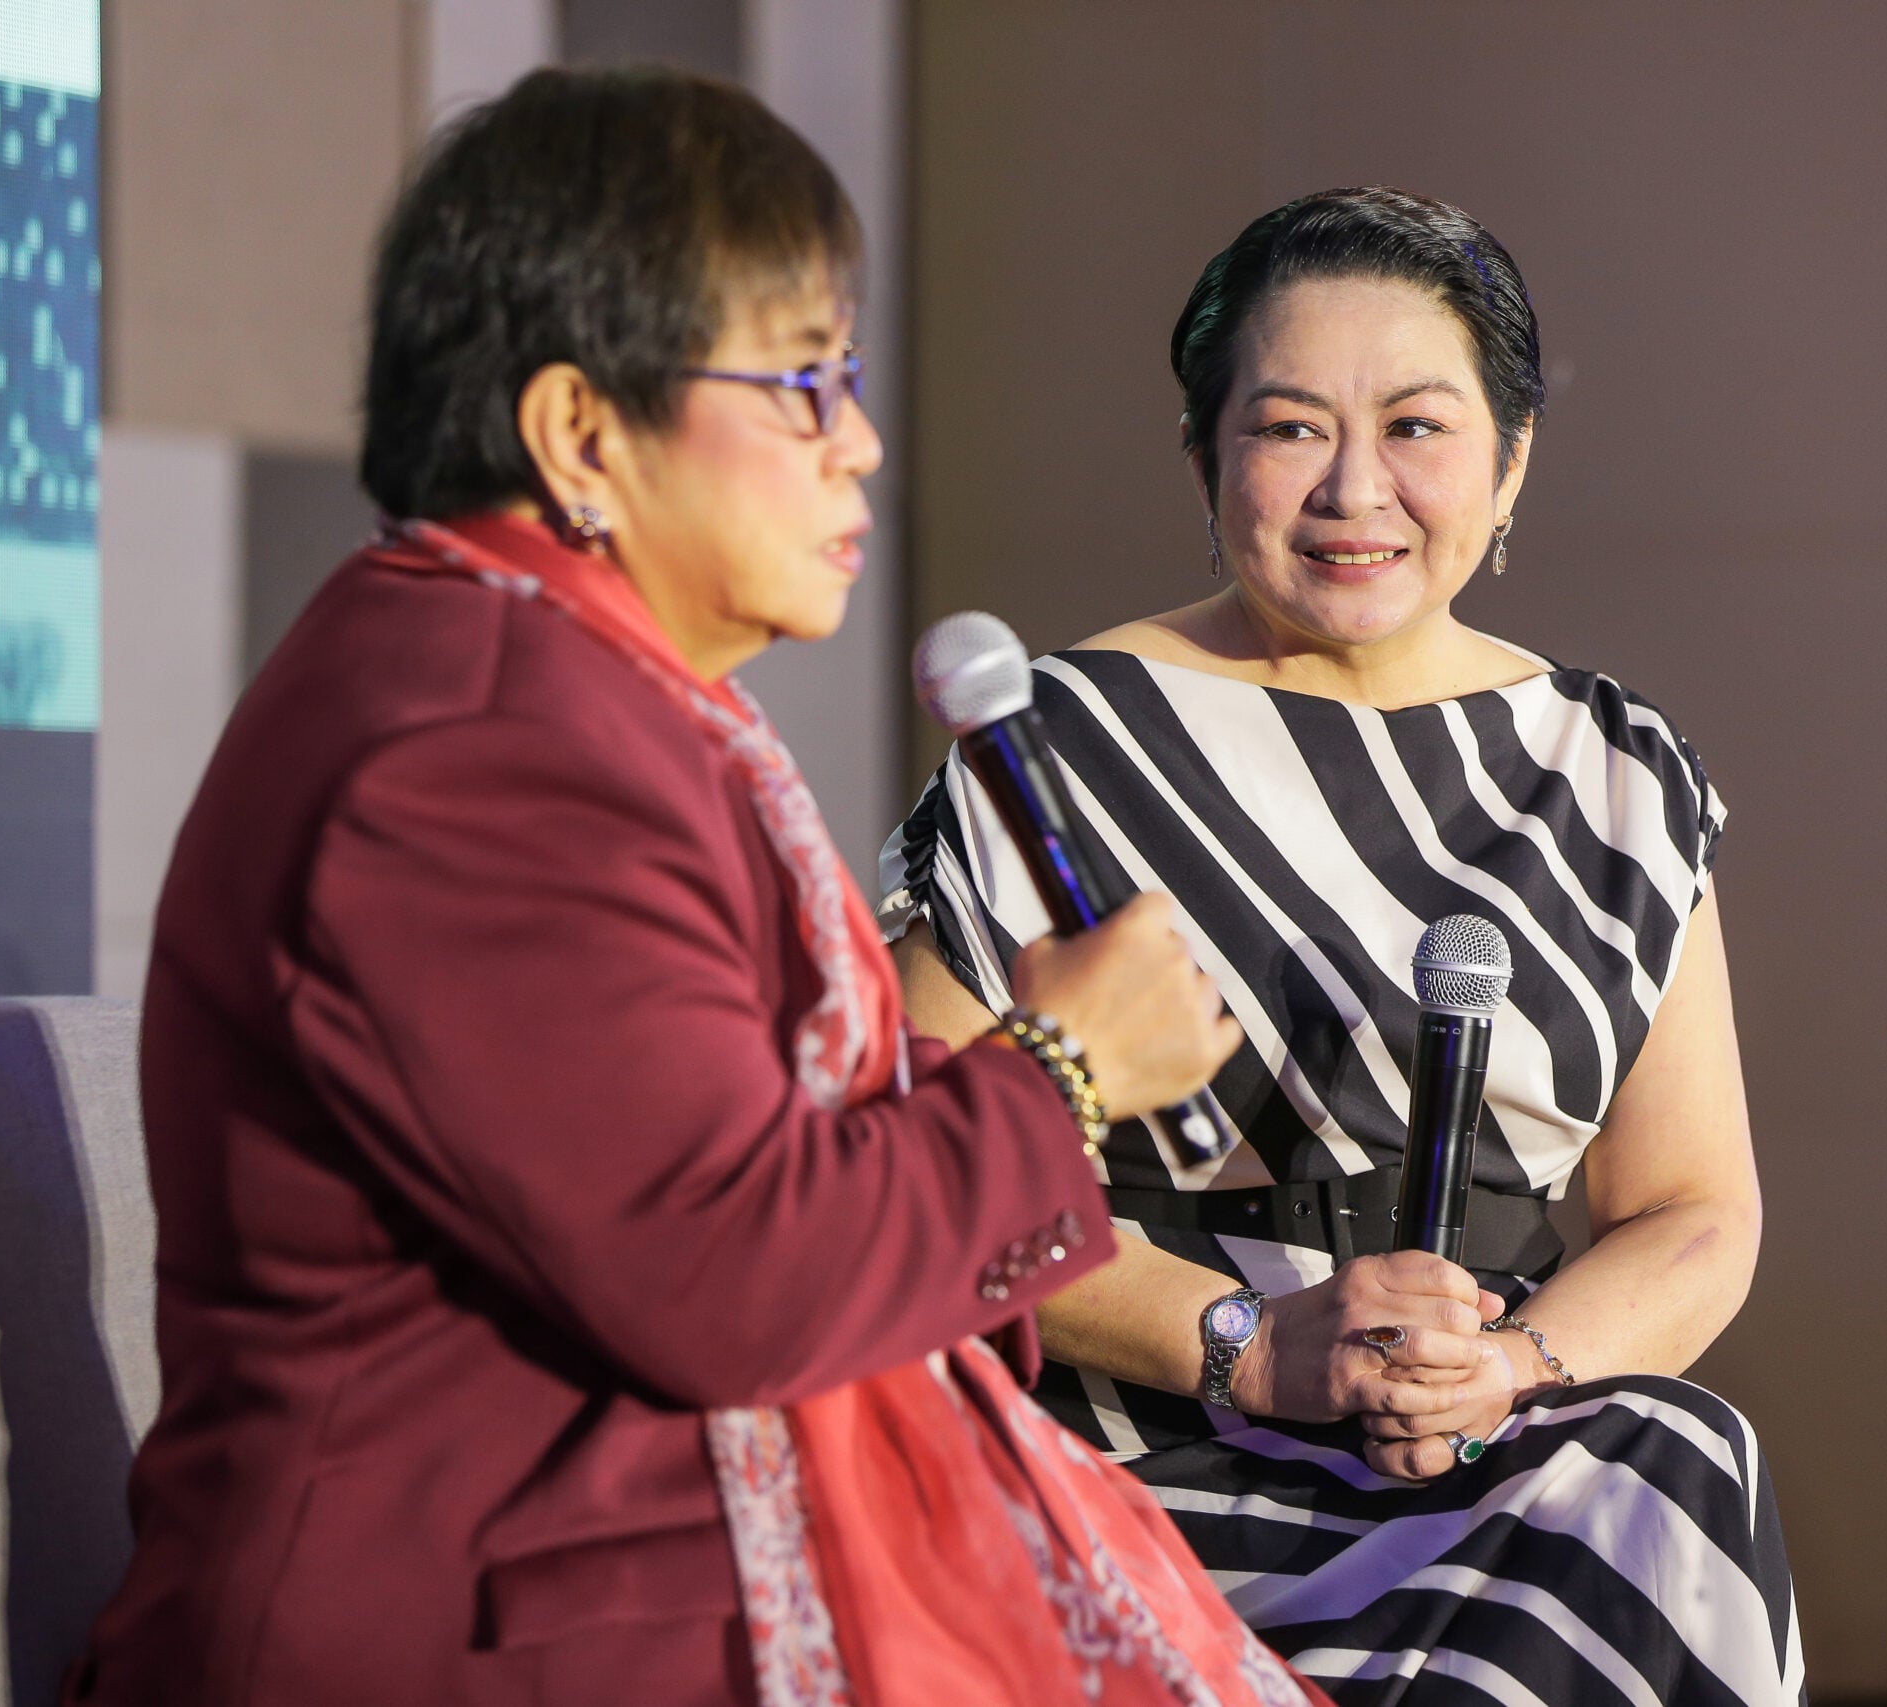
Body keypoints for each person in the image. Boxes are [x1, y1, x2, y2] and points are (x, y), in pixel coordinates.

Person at [75, 68, 1326, 1707]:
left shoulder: (560, 688)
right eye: (804, 384)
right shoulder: (478, 745)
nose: (861, 443)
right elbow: (731, 1277)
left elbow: (699, 1175)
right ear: (581, 433)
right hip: (503, 1621)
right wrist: (1066, 1071)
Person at [887, 188, 1806, 1704]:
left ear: (1512, 462)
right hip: (1135, 1440)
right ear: (1207, 457)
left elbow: (1693, 1209)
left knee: (1675, 1463)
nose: (1355, 489)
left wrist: (1509, 1367)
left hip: (1477, 1442)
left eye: (1418, 427)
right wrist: (1247, 1344)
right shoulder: (1063, 745)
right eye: (1291, 427)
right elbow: (908, 1183)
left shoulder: (1615, 773)